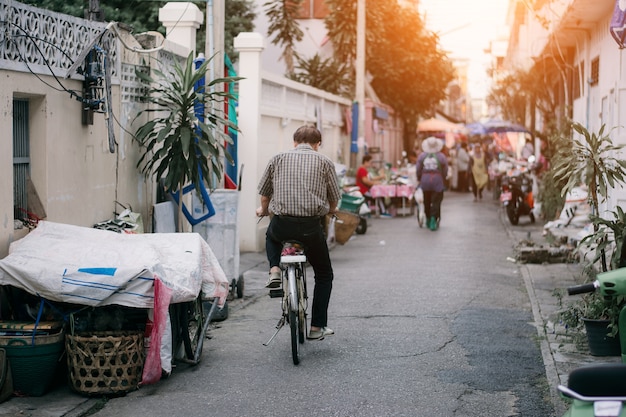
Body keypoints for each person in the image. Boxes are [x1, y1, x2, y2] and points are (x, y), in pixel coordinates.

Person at [256, 125, 341, 340]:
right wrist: (332, 209)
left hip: (283, 223)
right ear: (317, 144)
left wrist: (263, 210)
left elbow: (265, 194)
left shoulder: (278, 158)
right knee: (324, 275)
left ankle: (275, 269)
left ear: (294, 141)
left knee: (272, 236)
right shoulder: (325, 162)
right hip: (311, 227)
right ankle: (316, 327)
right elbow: (333, 198)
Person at [415, 136, 448, 231]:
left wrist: (419, 178)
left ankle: (428, 219)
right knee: (436, 200)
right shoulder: (441, 156)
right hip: (437, 180)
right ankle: (434, 219)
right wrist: (443, 178)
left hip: (425, 180)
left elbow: (418, 169)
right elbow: (445, 170)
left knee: (427, 200)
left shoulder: (422, 156)